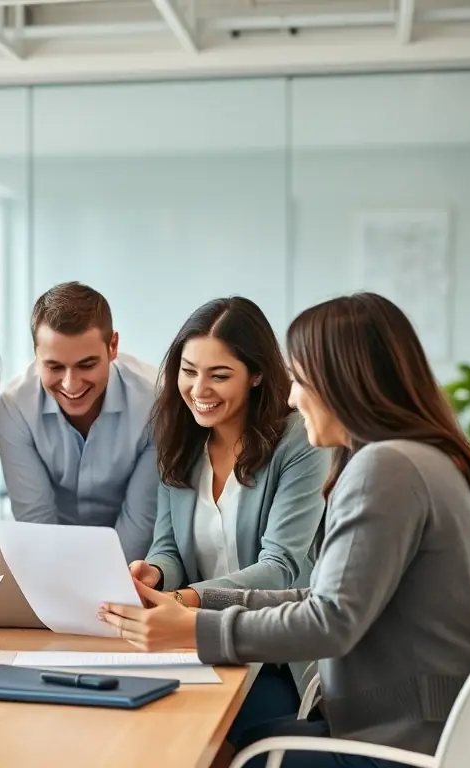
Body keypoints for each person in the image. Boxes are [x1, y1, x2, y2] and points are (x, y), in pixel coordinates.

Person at [99, 292, 470, 768]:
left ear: (344, 382)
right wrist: (198, 608)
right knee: (206, 744)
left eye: (300, 380)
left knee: (189, 747)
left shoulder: (386, 467)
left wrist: (195, 628)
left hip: (389, 744)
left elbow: (329, 622)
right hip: (416, 726)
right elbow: (321, 596)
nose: (292, 396)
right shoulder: (422, 457)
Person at [128, 296, 329, 734]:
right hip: (192, 644)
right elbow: (168, 547)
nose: (199, 390)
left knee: (214, 732)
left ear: (256, 375)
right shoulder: (179, 438)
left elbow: (280, 568)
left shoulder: (299, 441)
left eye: (219, 376)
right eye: (189, 371)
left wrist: (185, 600)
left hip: (273, 653)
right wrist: (156, 575)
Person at [0, 282, 158, 562]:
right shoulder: (15, 406)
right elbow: (37, 523)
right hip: (48, 561)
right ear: (36, 354)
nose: (71, 385)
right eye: (54, 366)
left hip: (133, 565)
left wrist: (106, 588)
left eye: (87, 365)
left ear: (113, 347)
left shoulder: (156, 401)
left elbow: (140, 521)